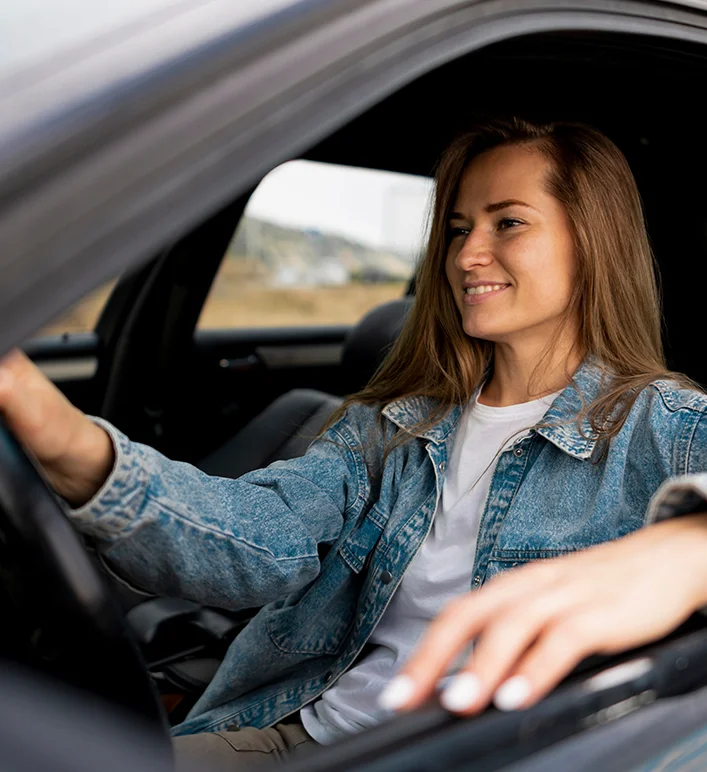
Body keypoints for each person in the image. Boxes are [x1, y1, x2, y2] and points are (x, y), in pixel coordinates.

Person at [3, 117, 707, 770]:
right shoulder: (392, 425)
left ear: (592, 242)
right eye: (458, 229)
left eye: (508, 223)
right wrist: (68, 444)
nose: (467, 254)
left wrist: (685, 545)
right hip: (306, 733)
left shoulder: (665, 426)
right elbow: (256, 538)